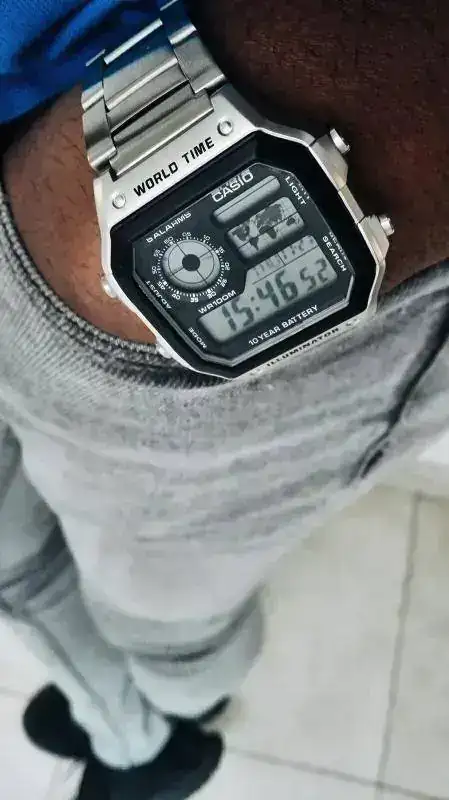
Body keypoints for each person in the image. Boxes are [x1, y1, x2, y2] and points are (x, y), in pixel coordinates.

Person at [1, 0, 449, 798]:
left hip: (135, 286)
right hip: (70, 166)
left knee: (159, 609)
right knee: (14, 547)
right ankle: (108, 702)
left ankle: (168, 719)